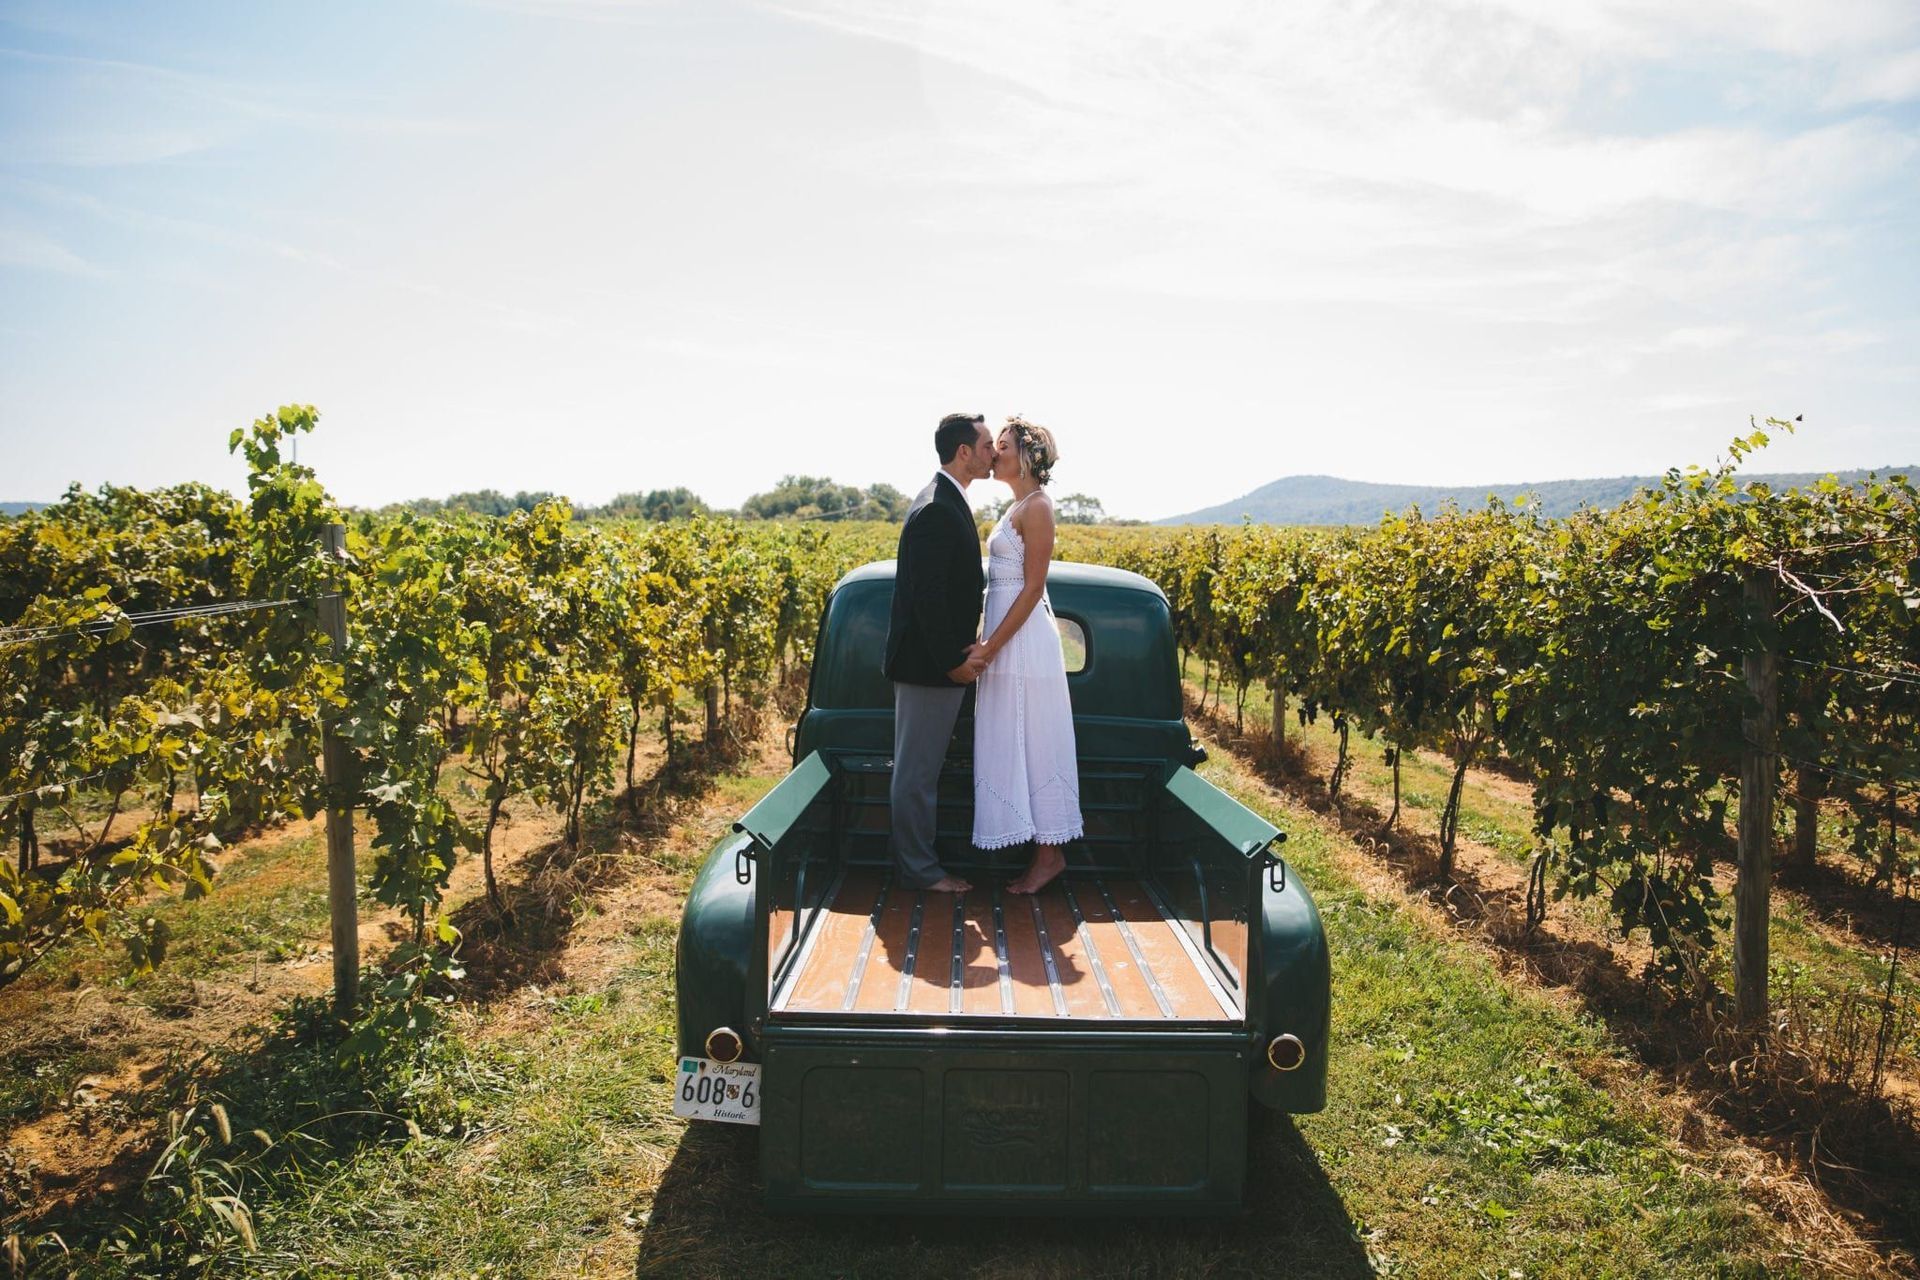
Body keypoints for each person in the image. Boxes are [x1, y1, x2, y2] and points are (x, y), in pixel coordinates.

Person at [881, 411, 994, 893]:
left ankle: (921, 864)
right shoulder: (935, 508)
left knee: (921, 771)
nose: (994, 452)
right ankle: (920, 871)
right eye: (987, 444)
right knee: (916, 774)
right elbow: (926, 599)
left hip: (938, 666)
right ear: (963, 451)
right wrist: (953, 663)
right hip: (931, 669)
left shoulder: (947, 499)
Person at [971, 416, 1083, 893]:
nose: (995, 454)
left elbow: (1033, 588)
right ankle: (1034, 847)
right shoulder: (1013, 506)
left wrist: (989, 648)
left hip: (1022, 647)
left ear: (1028, 456)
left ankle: (1049, 857)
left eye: (1003, 446)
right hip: (1005, 645)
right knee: (1010, 737)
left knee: (1034, 740)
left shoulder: (1037, 507)